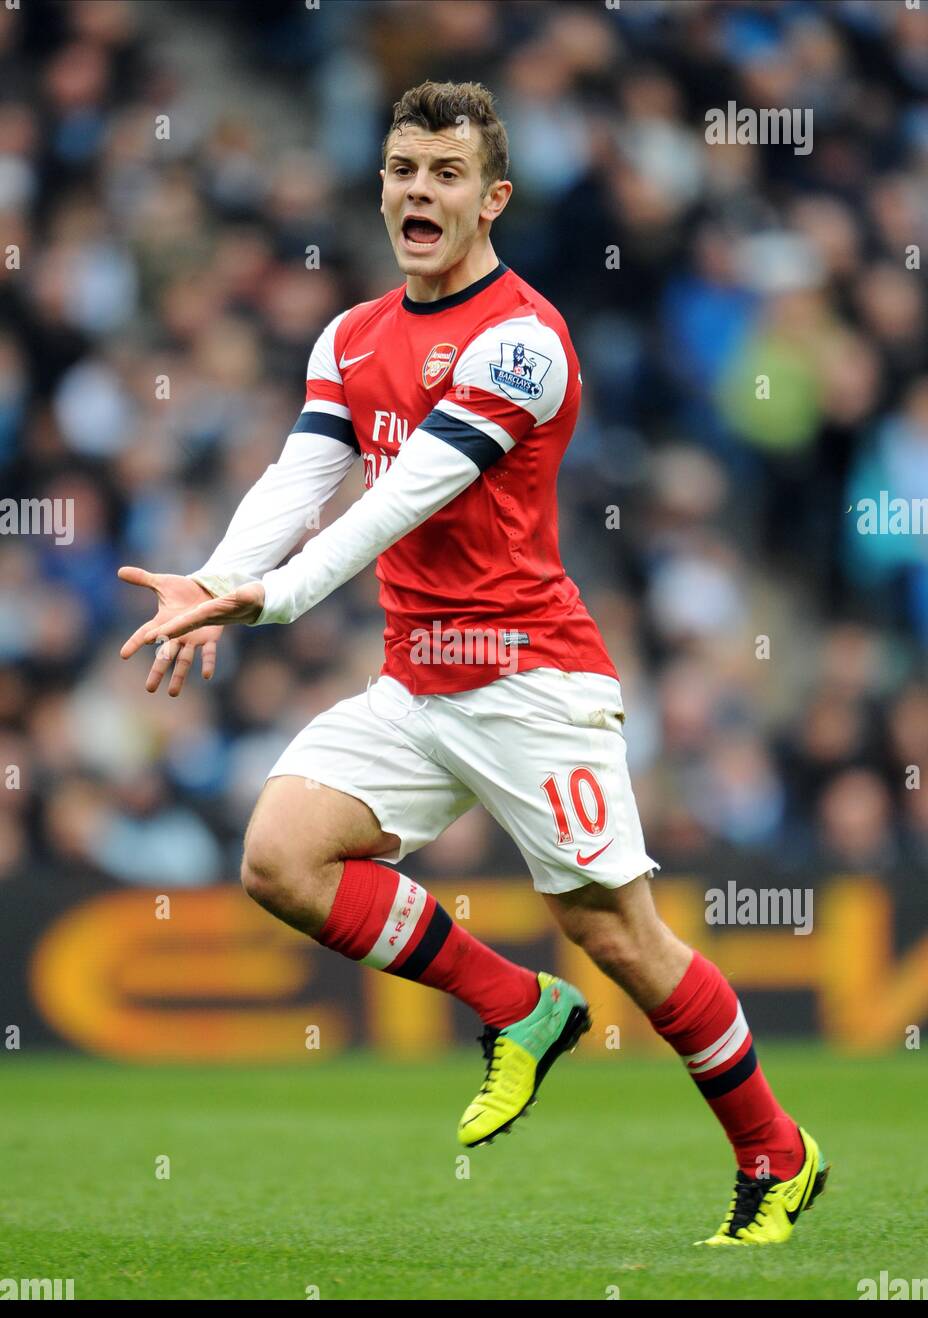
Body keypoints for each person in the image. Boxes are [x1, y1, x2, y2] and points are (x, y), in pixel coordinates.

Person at [119, 80, 828, 1245]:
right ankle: (517, 1007)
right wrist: (209, 579)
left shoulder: (524, 342)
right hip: (416, 680)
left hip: (531, 678)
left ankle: (776, 1152)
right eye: (403, 168)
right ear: (382, 182)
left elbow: (403, 498)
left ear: (490, 198)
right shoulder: (351, 336)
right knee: (281, 858)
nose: (418, 190)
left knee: (620, 938)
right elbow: (301, 478)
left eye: (445, 174)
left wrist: (275, 599)